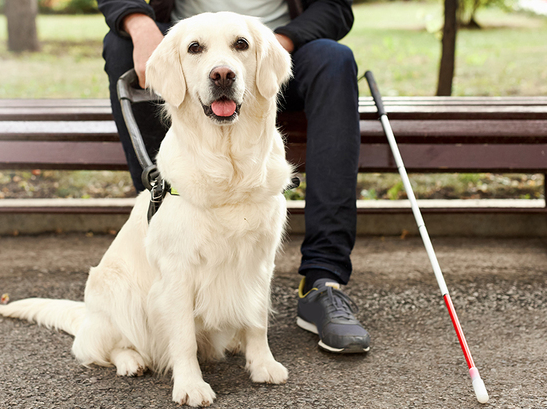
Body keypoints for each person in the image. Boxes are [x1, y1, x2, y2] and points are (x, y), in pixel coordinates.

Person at [97, 0, 371, 353]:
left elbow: (334, 7)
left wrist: (279, 41)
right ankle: (166, 233)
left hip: (276, 51)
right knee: (120, 43)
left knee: (335, 59)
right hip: (184, 50)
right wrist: (138, 23)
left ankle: (323, 280)